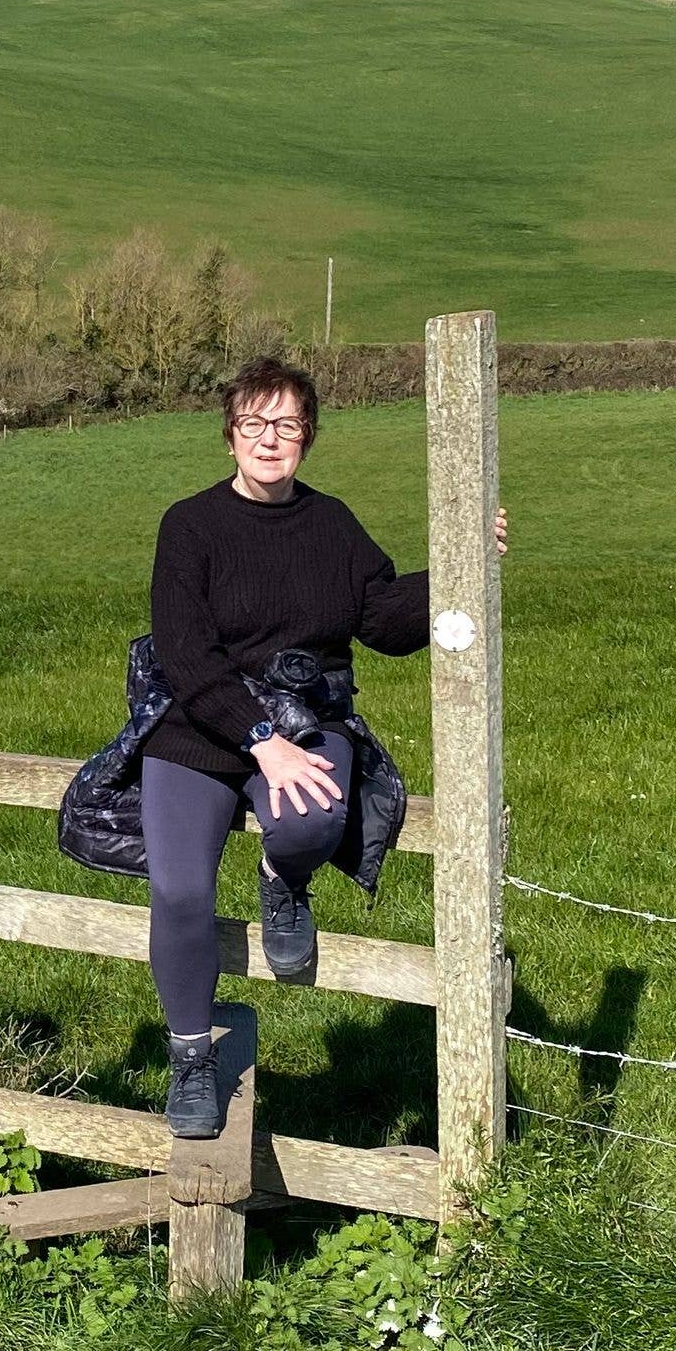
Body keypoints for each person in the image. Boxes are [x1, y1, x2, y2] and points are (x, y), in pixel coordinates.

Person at [144, 354, 507, 1138]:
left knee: (308, 823)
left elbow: (381, 618)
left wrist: (461, 560)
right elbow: (185, 654)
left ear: (308, 434)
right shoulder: (190, 525)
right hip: (202, 727)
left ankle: (284, 878)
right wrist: (259, 738)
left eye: (286, 423)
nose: (270, 439)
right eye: (254, 423)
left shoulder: (332, 523)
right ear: (230, 434)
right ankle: (191, 1057)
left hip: (312, 717)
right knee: (178, 893)